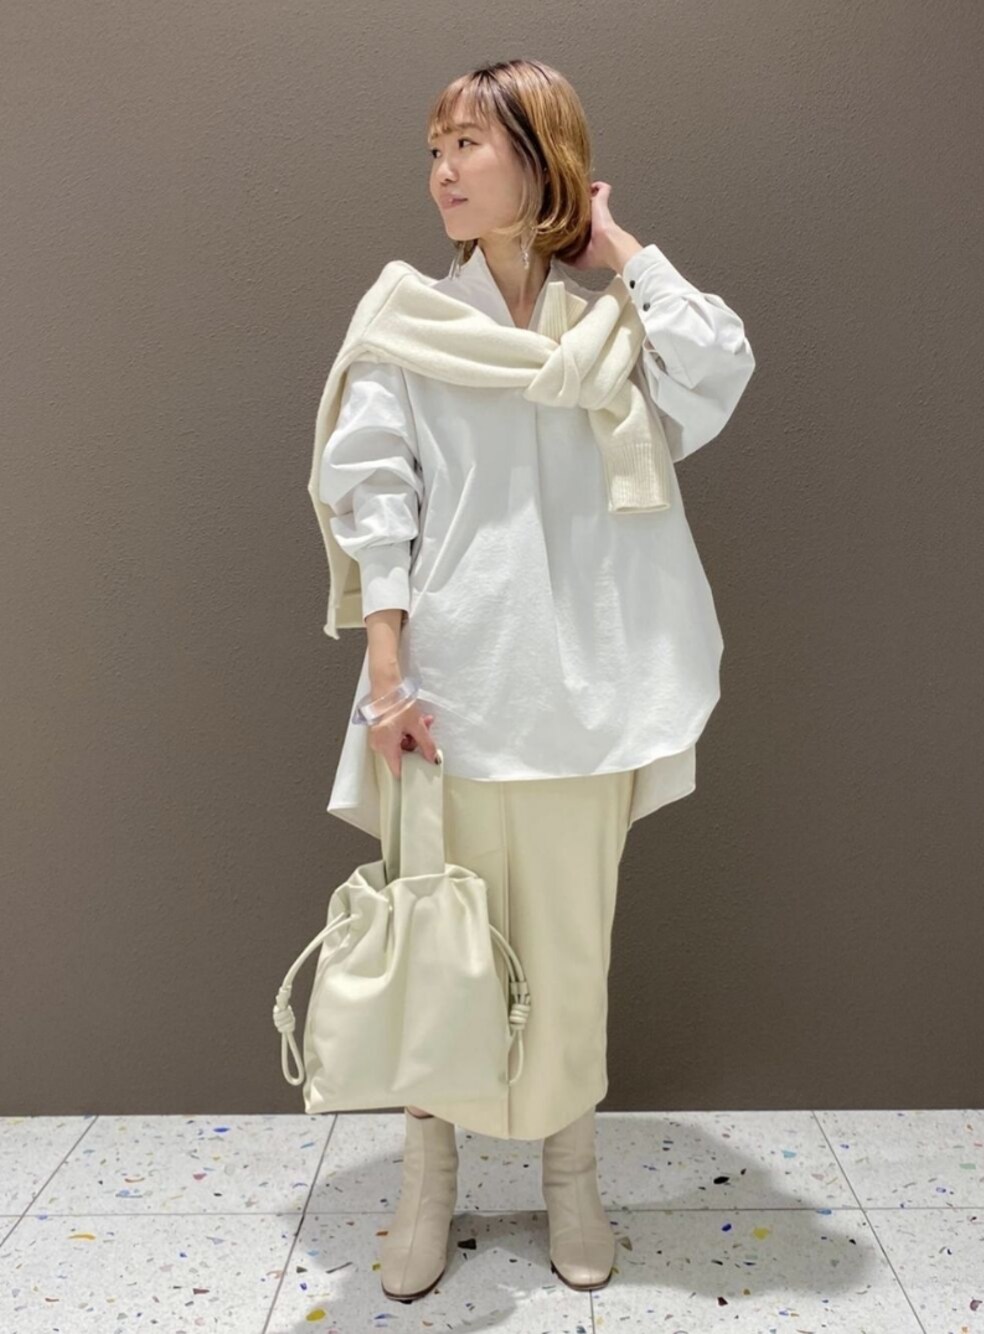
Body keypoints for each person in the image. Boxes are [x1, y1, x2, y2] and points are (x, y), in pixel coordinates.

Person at [316, 59, 755, 1302]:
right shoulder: (408, 318)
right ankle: (427, 1181)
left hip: (585, 691)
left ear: (540, 155)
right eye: (434, 148)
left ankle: (571, 1175)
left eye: (470, 143)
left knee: (567, 948)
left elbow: (719, 365)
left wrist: (617, 246)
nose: (443, 170)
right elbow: (376, 494)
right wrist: (387, 675)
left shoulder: (605, 330)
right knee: (434, 939)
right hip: (447, 689)